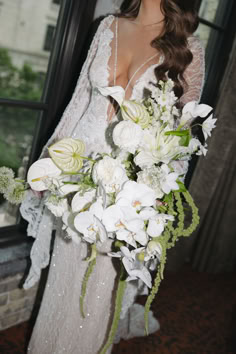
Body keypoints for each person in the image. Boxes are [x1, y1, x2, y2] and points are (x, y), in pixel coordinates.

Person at [20, 0, 205, 353]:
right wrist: (48, 166)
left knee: (96, 301)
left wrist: (157, 199)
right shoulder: (108, 27)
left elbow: (183, 134)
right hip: (76, 186)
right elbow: (77, 105)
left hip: (126, 196)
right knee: (61, 287)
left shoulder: (188, 47)